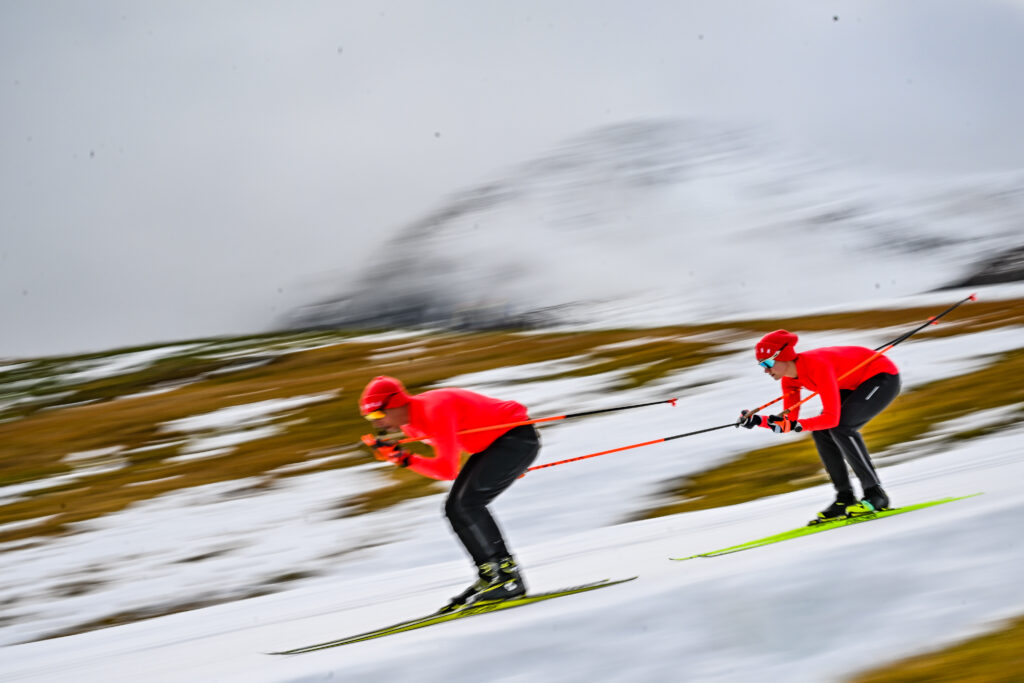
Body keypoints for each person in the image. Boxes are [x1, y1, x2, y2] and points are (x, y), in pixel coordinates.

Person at [359, 375, 540, 611]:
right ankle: (491, 575)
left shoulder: (434, 409)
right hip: (494, 445)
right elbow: (451, 454)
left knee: (467, 504)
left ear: (394, 404)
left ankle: (508, 577)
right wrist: (401, 457)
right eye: (370, 418)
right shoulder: (411, 425)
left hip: (515, 438)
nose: (377, 423)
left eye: (377, 415)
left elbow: (447, 470)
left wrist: (405, 459)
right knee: (454, 508)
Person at [736, 330, 902, 523]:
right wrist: (758, 420)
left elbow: (830, 419)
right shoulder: (789, 380)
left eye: (767, 363)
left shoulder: (817, 366)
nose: (765, 370)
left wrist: (798, 425)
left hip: (881, 376)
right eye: (761, 365)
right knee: (820, 431)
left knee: (842, 428)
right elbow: (788, 422)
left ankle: (875, 494)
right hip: (850, 383)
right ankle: (845, 498)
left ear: (784, 357)